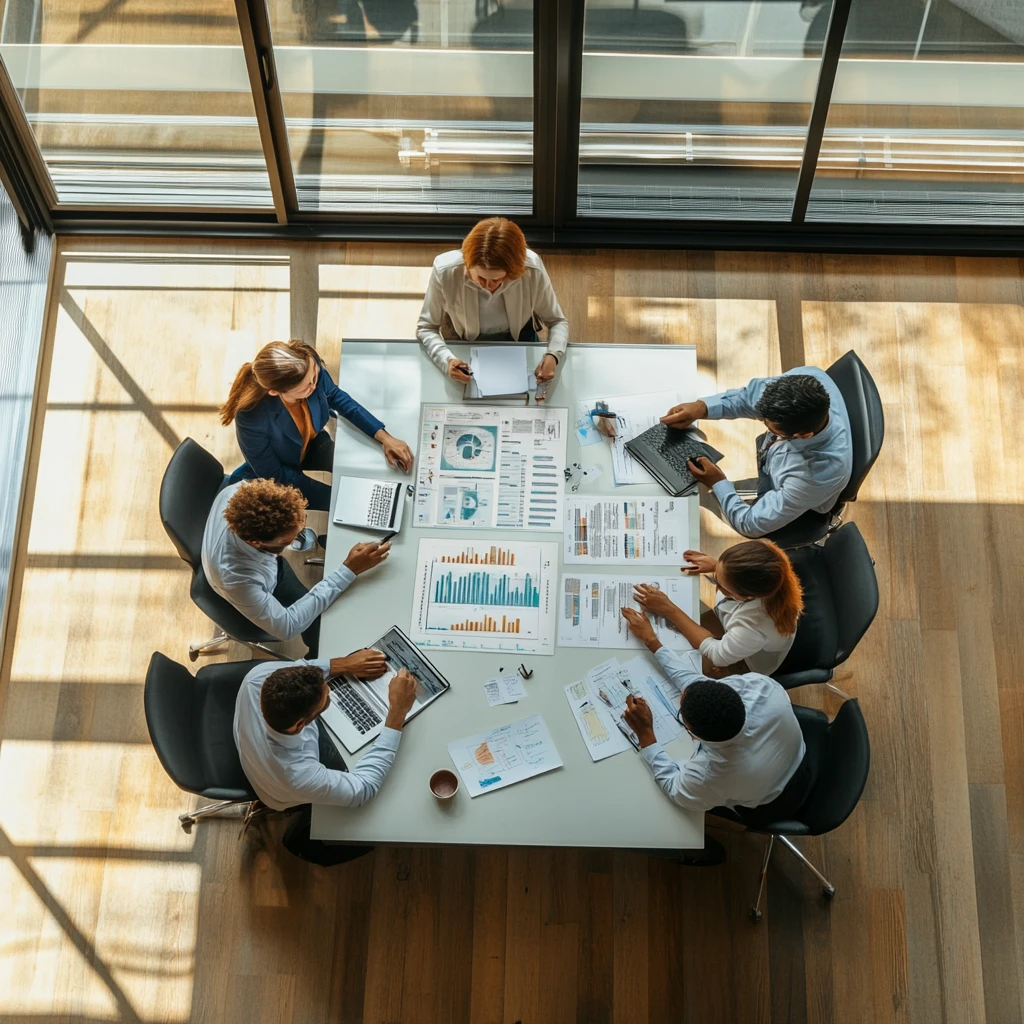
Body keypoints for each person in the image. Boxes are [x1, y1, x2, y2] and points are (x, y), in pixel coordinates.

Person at [619, 606, 807, 819]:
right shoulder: (763, 688)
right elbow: (693, 682)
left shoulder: (710, 776)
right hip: (794, 749)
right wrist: (652, 641)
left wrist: (646, 734)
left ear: (691, 731)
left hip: (773, 799)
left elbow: (674, 788)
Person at [234, 654, 419, 864]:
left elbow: (301, 666)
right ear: (299, 726)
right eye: (325, 701)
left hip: (254, 746)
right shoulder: (297, 774)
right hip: (278, 788)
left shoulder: (258, 678)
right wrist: (397, 712)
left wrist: (344, 664)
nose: (330, 690)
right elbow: (363, 788)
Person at [201, 478, 389, 656]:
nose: (297, 537)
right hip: (248, 582)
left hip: (261, 562)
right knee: (322, 630)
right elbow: (287, 626)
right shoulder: (236, 577)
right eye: (288, 539)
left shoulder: (241, 491)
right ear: (257, 542)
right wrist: (348, 570)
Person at [221, 340, 413, 512]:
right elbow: (276, 474)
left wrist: (385, 437)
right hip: (279, 466)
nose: (315, 386)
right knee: (342, 503)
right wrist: (336, 497)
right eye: (306, 387)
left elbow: (336, 397)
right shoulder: (251, 417)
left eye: (315, 377)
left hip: (310, 443)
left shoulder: (307, 364)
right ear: (274, 392)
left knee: (361, 465)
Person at [660, 367, 852, 538]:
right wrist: (701, 408)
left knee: (700, 496)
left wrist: (717, 482)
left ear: (803, 435)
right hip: (779, 465)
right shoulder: (806, 378)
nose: (763, 422)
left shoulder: (816, 475)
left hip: (797, 499)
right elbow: (748, 398)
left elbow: (750, 524)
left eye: (771, 427)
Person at [416, 217, 569, 399]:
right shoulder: (445, 270)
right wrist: (446, 360)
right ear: (467, 264)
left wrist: (553, 355)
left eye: (496, 280)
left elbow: (557, 321)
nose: (487, 286)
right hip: (463, 342)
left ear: (514, 271)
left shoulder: (532, 269)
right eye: (480, 278)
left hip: (519, 337)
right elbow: (426, 328)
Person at [631, 540, 803, 678]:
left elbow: (718, 655)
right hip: (732, 626)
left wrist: (670, 610)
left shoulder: (756, 623)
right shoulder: (769, 576)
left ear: (748, 596)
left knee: (668, 665)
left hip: (747, 660)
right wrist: (718, 567)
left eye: (721, 585)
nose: (716, 585)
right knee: (675, 630)